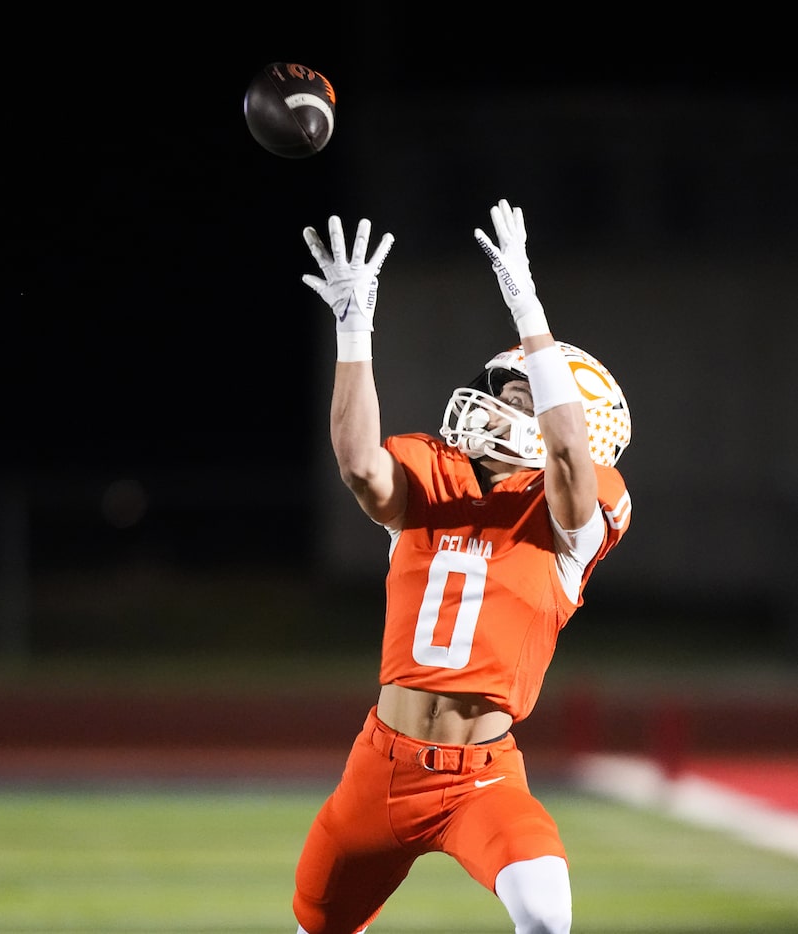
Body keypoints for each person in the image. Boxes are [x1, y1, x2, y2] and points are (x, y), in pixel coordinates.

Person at [291, 200, 633, 934]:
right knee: (313, 928)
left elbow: (570, 460)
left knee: (545, 915)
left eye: (522, 394)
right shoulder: (432, 477)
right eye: (505, 387)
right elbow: (357, 464)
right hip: (378, 768)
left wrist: (528, 309)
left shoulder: (572, 516)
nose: (495, 399)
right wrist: (354, 331)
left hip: (481, 778)